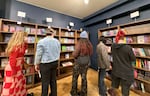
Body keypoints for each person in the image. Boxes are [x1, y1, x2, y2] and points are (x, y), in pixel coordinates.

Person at [108, 30, 136, 96]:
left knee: (114, 87)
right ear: (124, 38)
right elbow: (133, 59)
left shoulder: (113, 46)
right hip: (126, 72)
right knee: (125, 91)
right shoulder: (128, 48)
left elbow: (113, 55)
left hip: (116, 71)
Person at [34, 28, 60, 96]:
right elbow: (58, 52)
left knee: (45, 83)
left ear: (45, 33)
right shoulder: (57, 41)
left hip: (45, 64)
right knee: (53, 81)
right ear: (52, 33)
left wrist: (36, 64)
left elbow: (38, 54)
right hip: (55, 63)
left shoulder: (41, 41)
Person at [1, 31, 28, 96]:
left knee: (18, 84)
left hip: (17, 68)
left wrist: (26, 43)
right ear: (21, 37)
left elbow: (23, 52)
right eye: (25, 36)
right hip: (13, 68)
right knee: (11, 84)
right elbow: (12, 60)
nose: (27, 38)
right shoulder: (16, 47)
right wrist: (14, 71)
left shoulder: (21, 46)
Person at [70, 31, 93, 96]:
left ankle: (74, 92)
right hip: (86, 63)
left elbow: (74, 54)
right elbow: (91, 53)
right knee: (84, 78)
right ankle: (84, 93)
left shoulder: (79, 44)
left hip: (78, 64)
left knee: (75, 78)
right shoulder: (89, 44)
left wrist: (73, 54)